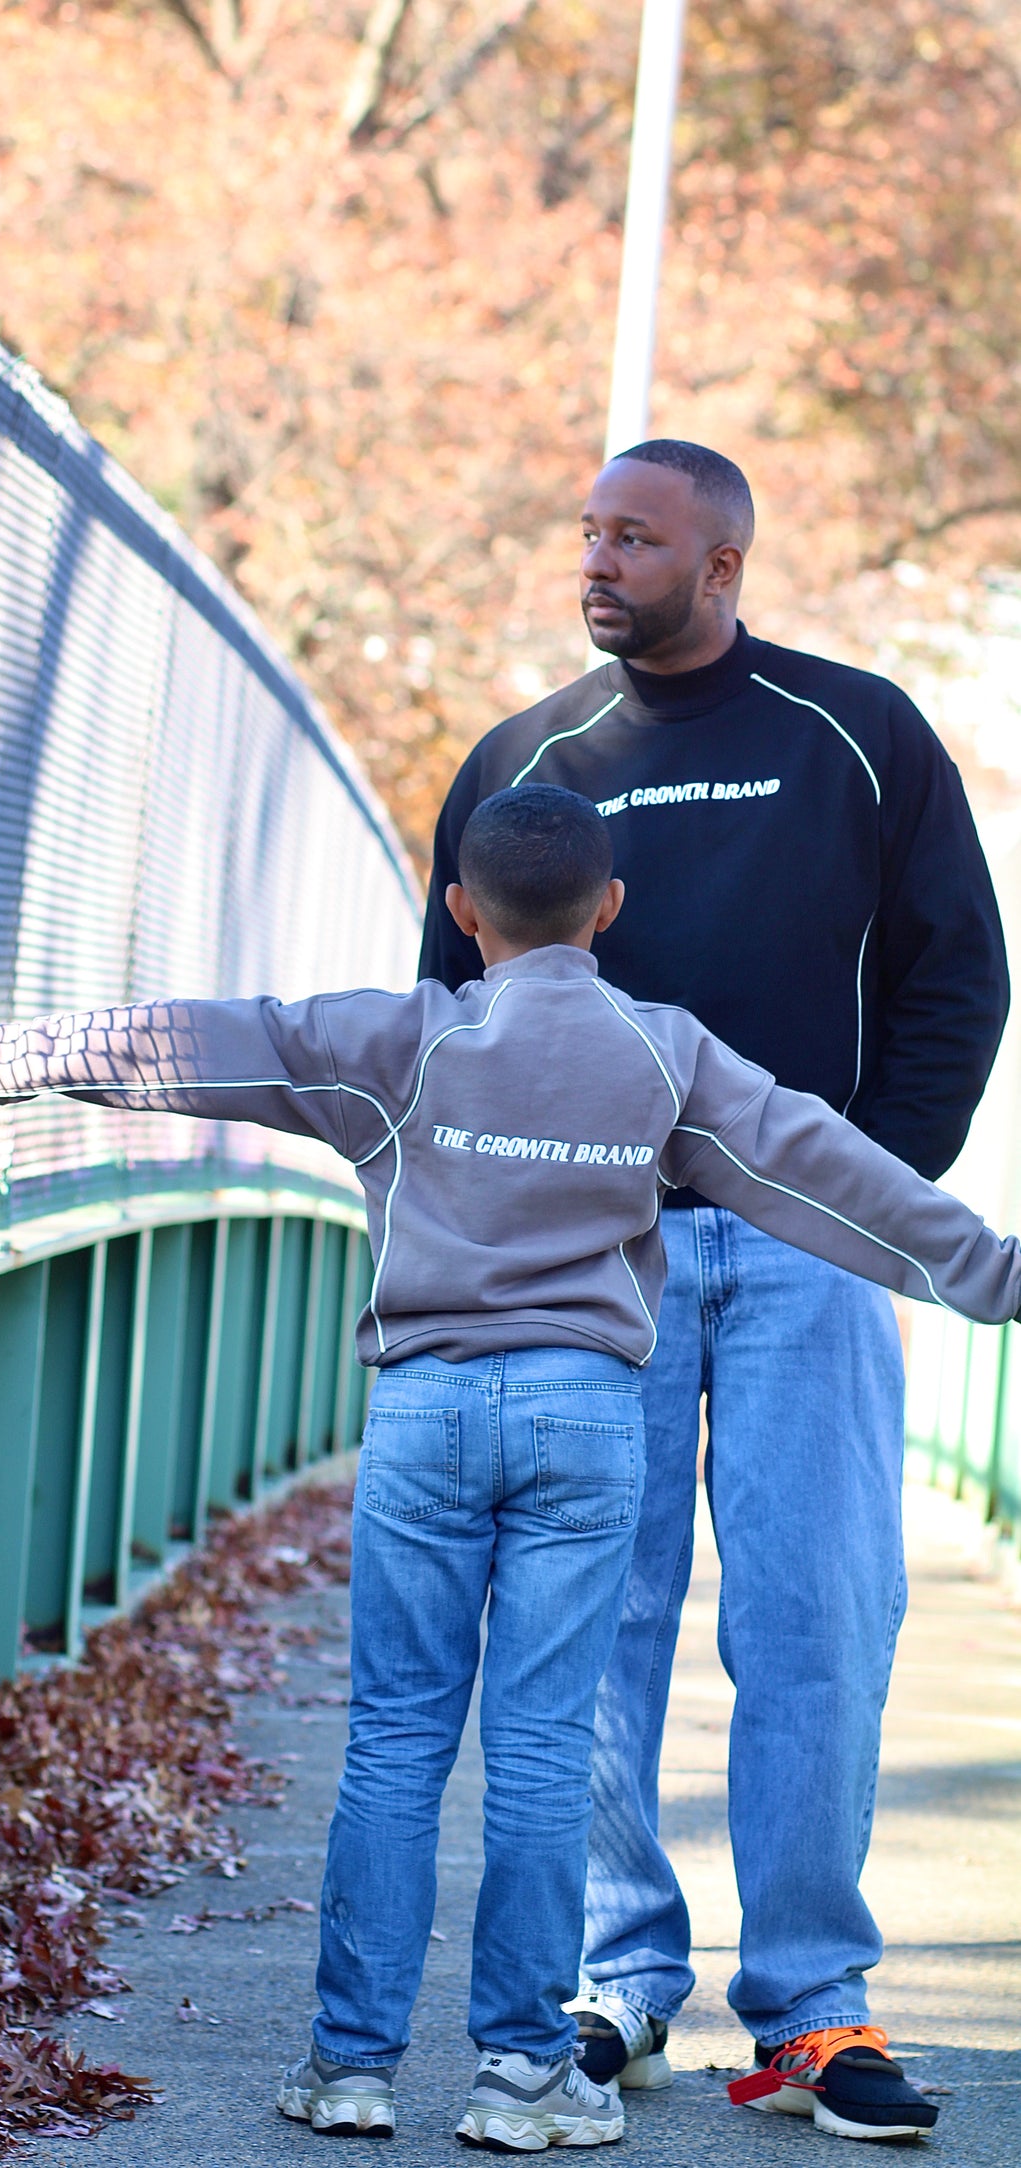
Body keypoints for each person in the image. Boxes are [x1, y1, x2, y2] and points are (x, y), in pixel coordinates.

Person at [0, 784, 1018, 2152]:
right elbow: (829, 1172)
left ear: (460, 912)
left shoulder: (393, 1042)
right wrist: (993, 1275)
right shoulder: (665, 1057)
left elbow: (187, 1044)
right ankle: (521, 2077)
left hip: (420, 1419)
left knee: (394, 1742)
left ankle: (350, 2070)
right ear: (608, 911)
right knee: (540, 1750)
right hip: (584, 1422)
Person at [420, 442, 1009, 2142]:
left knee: (817, 1619)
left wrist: (853, 1193)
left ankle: (812, 2009)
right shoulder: (523, 761)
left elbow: (950, 979)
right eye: (589, 533)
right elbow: (445, 1016)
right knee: (591, 1619)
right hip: (592, 1258)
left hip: (806, 1255)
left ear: (724, 561)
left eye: (636, 537)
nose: (597, 561)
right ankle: (620, 1984)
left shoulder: (855, 735)